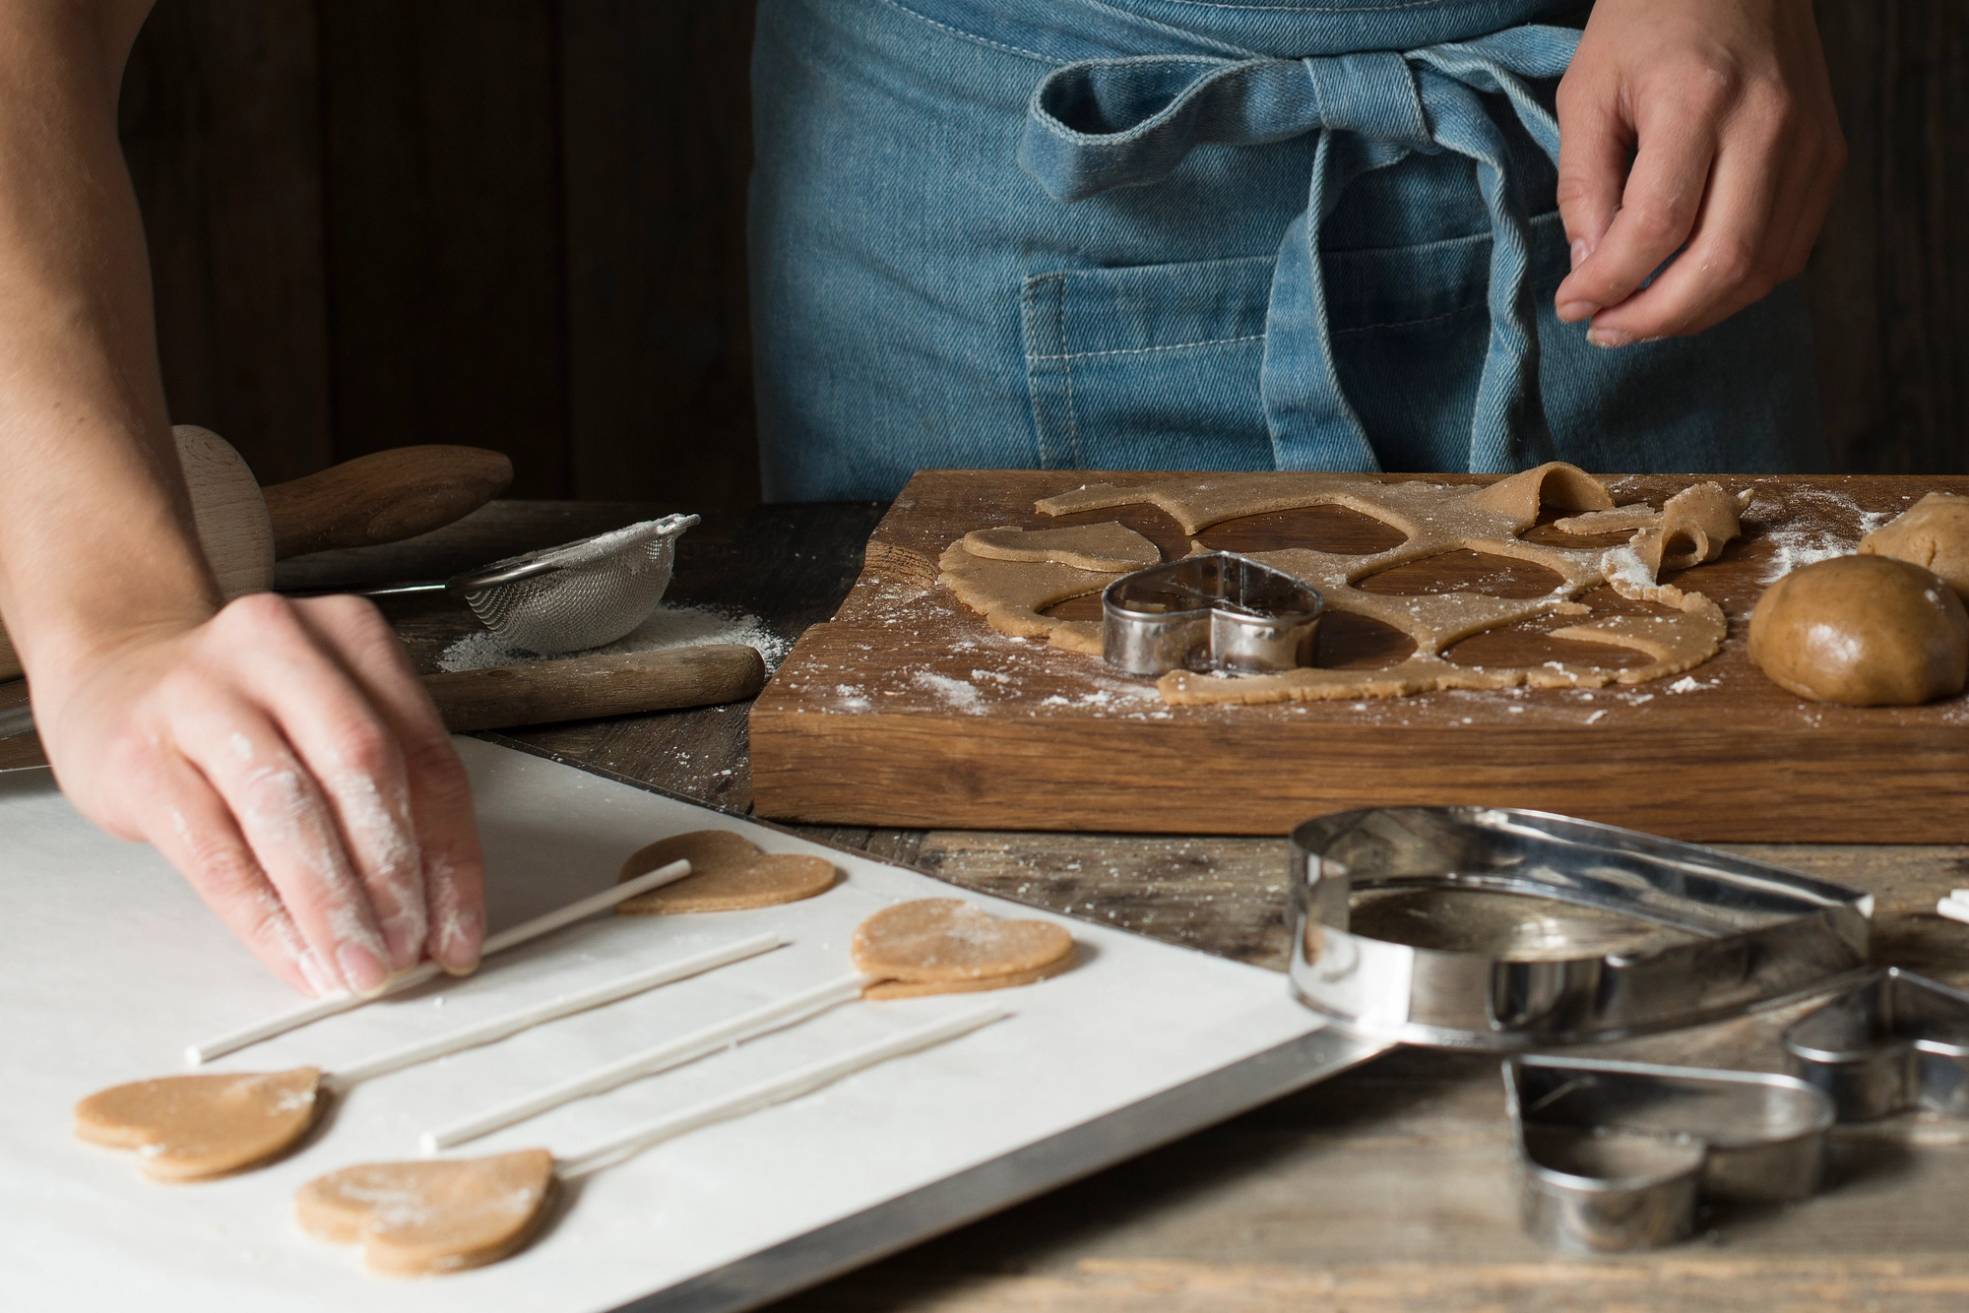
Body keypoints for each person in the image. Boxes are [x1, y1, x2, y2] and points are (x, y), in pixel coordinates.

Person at [0, 0, 1844, 995]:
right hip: (998, 165)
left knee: (1714, 947)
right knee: (1024, 1000)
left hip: (1616, 136)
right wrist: (111, 613)